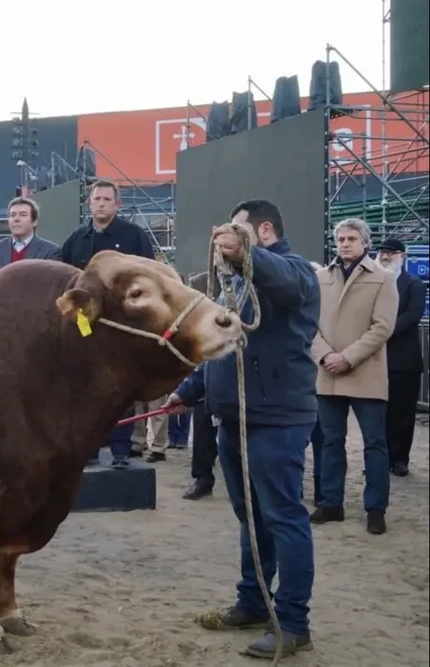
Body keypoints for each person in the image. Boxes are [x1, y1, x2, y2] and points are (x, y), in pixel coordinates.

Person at [167, 199, 320, 659]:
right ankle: (253, 602)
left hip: (277, 417)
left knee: (283, 517)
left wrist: (245, 253)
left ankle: (293, 623)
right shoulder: (233, 286)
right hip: (232, 416)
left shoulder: (295, 272)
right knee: (250, 518)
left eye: (236, 233)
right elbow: (223, 344)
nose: (224, 244)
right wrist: (190, 390)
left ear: (264, 230)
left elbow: (287, 283)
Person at [311, 218, 398, 534]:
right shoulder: (321, 277)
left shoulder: (384, 278)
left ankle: (376, 509)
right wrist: (325, 355)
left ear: (365, 242)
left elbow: (383, 327)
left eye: (350, 239)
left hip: (365, 373)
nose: (344, 244)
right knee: (331, 441)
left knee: (375, 444)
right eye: (340, 239)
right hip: (328, 373)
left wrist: (347, 357)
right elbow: (310, 324)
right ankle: (331, 504)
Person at [62, 179, 156, 468]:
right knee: (85, 386)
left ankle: (120, 450)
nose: (100, 203)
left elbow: (149, 277)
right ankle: (89, 448)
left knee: (119, 386)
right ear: (89, 204)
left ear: (118, 204)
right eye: (96, 199)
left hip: (120, 323)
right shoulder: (76, 239)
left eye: (106, 199)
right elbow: (67, 282)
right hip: (85, 323)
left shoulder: (134, 237)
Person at [376, 238, 427, 478]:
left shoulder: (413, 284)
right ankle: (380, 459)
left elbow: (411, 317)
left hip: (403, 361)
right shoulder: (372, 283)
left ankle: (399, 459)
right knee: (377, 414)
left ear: (402, 257)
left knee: (402, 414)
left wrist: (380, 332)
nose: (385, 256)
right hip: (375, 359)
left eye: (391, 253)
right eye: (383, 252)